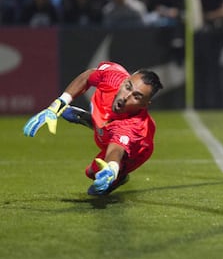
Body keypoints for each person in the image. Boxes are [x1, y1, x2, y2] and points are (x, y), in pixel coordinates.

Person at [23, 61, 163, 196]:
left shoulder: (134, 127)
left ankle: (120, 177)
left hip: (136, 149)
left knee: (92, 173)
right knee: (107, 127)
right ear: (125, 80)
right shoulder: (113, 76)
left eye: (136, 97)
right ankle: (90, 120)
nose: (126, 97)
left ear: (145, 105)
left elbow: (116, 150)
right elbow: (87, 77)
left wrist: (112, 170)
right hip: (110, 124)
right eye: (128, 87)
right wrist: (57, 105)